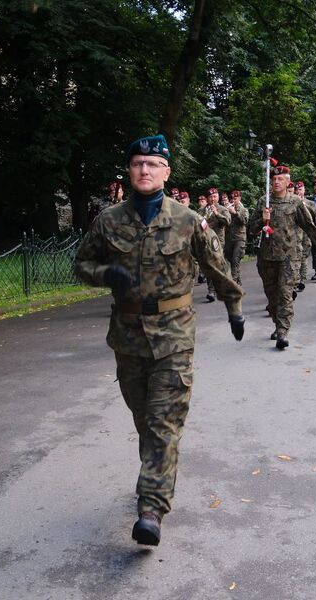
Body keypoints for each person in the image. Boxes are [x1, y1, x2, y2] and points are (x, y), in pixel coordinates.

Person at [74, 134, 244, 546]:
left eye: (152, 164)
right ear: (129, 171)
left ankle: (151, 508)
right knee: (144, 421)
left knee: (163, 424)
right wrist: (104, 275)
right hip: (128, 339)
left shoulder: (188, 220)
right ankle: (155, 479)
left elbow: (217, 267)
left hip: (174, 337)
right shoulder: (109, 220)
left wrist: (234, 306)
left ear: (166, 172)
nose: (144, 170)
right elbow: (82, 264)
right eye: (137, 164)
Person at [250, 165, 316, 349]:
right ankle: (277, 323)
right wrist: (262, 219)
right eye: (274, 179)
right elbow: (250, 229)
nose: (276, 182)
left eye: (280, 179)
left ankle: (283, 330)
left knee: (285, 294)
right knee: (272, 295)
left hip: (289, 258)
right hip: (267, 257)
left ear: (287, 182)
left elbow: (309, 226)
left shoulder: (295, 202)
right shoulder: (264, 201)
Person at [203, 187, 230, 301]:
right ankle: (211, 291)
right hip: (205, 242)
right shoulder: (202, 210)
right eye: (210, 197)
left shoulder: (223, 209)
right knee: (209, 265)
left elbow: (227, 222)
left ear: (218, 197)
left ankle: (222, 286)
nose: (212, 199)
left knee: (219, 265)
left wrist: (216, 213)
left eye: (214, 196)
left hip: (218, 241)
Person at [225, 189, 249, 285]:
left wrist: (235, 213)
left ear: (239, 198)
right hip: (230, 238)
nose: (233, 200)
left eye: (235, 198)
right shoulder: (228, 209)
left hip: (240, 239)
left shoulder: (244, 210)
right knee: (231, 260)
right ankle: (237, 279)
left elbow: (244, 221)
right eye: (232, 198)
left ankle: (233, 283)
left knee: (235, 260)